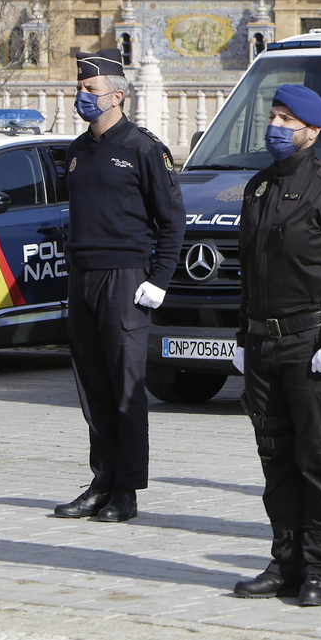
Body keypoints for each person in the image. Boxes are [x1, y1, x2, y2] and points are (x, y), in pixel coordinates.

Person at [229, 84, 321, 607]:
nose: (276, 126)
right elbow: (250, 272)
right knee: (275, 458)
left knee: (317, 459)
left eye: (288, 119)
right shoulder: (260, 187)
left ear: (311, 130)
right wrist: (243, 334)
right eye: (273, 116)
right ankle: (285, 557)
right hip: (264, 343)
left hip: (309, 342)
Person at [55, 54, 184, 524]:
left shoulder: (144, 149)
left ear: (117, 96)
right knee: (93, 388)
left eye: (91, 89)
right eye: (80, 88)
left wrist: (158, 281)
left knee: (125, 388)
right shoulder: (75, 152)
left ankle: (127, 491)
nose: (83, 96)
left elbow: (171, 221)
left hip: (125, 280)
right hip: (83, 278)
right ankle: (102, 480)